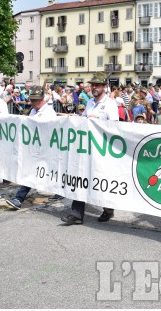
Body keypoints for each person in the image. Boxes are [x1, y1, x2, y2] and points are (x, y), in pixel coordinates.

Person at [61, 72, 119, 225]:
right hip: (86, 148)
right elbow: (84, 121)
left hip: (102, 149)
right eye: (93, 85)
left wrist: (97, 121)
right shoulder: (90, 103)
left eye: (97, 85)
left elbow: (115, 128)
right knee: (81, 178)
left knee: (101, 180)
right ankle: (76, 214)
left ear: (104, 87)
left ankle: (108, 209)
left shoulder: (110, 104)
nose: (94, 87)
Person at [2, 85, 61, 208]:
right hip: (35, 147)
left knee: (38, 172)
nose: (32, 102)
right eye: (32, 99)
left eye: (35, 100)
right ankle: (60, 191)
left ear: (41, 99)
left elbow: (50, 131)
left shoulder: (49, 112)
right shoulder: (34, 110)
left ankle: (19, 198)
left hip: (46, 148)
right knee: (38, 172)